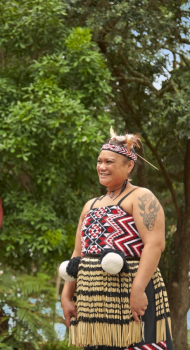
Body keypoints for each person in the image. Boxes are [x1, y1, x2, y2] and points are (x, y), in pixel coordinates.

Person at [61, 129, 173, 350]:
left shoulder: (141, 197)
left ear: (129, 165)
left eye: (109, 162)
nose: (102, 167)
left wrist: (138, 289)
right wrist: (66, 295)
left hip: (132, 294)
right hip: (93, 302)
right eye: (99, 161)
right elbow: (77, 255)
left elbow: (155, 244)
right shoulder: (90, 205)